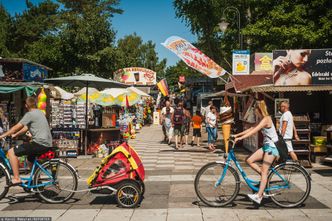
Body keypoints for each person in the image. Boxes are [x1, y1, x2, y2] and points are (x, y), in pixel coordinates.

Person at [234, 100, 279, 205]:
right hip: (266, 147)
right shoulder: (262, 119)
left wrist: (241, 138)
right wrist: (237, 135)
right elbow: (251, 128)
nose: (254, 112)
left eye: (255, 110)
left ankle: (259, 196)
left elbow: (254, 131)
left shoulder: (266, 119)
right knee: (249, 160)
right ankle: (265, 178)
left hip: (271, 149)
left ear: (259, 110)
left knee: (264, 171)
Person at [0, 97, 53, 186]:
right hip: (46, 143)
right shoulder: (39, 112)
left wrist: (2, 136)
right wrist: (16, 134)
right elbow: (26, 127)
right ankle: (37, 180)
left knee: (11, 152)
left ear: (26, 105)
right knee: (30, 159)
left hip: (39, 143)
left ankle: (16, 178)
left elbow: (15, 127)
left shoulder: (30, 114)